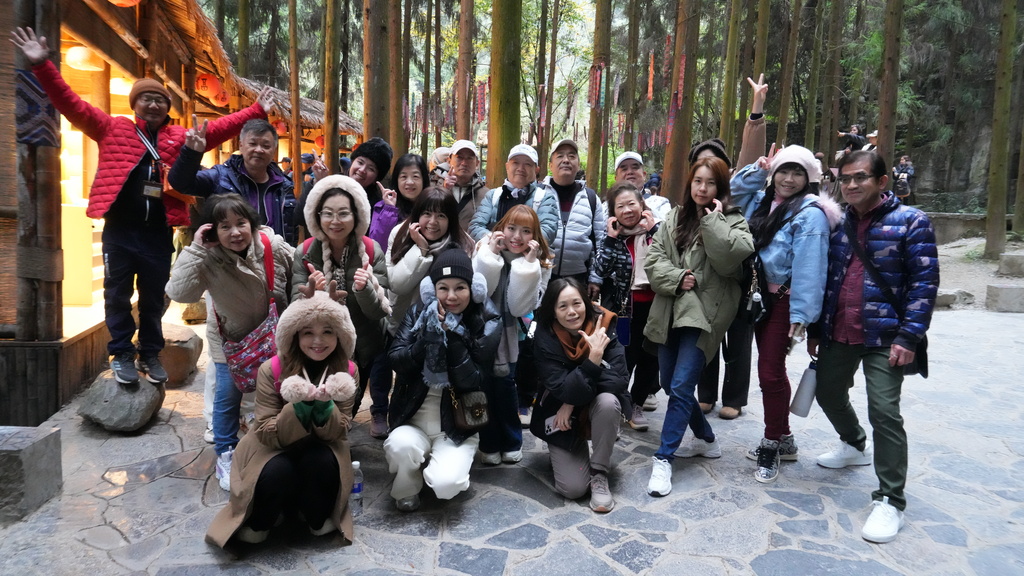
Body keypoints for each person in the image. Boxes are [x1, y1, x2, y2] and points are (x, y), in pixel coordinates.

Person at [11, 27, 272, 385]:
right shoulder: (112, 128)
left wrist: (255, 111)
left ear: (168, 107)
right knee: (116, 295)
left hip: (157, 232)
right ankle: (121, 353)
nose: (153, 105)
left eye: (160, 100)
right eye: (146, 99)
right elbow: (71, 104)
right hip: (119, 230)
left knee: (153, 298)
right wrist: (42, 66)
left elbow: (219, 128)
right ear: (135, 104)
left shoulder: (179, 136)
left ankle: (150, 351)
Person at [809, 150, 938, 543]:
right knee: (828, 393)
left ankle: (890, 500)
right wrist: (816, 327)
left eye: (860, 177)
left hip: (886, 336)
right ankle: (853, 443)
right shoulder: (835, 222)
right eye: (845, 178)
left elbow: (924, 284)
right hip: (839, 329)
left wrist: (909, 336)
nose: (851, 185)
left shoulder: (912, 221)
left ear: (882, 181)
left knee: (884, 411)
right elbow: (825, 277)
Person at [723, 145, 841, 483]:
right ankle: (785, 437)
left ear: (809, 178)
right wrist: (758, 170)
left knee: (770, 373)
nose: (788, 179)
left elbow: (811, 268)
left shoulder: (811, 214)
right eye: (782, 171)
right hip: (758, 298)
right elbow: (733, 193)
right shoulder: (764, 203)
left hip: (785, 303)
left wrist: (802, 315)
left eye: (797, 173)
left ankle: (771, 442)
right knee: (771, 369)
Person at [205, 291, 359, 546]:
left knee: (320, 462)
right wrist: (300, 407)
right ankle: (262, 520)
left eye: (328, 332)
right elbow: (265, 430)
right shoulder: (272, 369)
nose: (318, 341)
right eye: (308, 332)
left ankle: (314, 516)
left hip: (321, 445)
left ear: (340, 335)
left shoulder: (347, 371)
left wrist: (324, 407)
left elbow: (340, 429)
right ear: (295, 334)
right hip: (274, 446)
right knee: (277, 471)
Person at [165, 194, 293, 491]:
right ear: (212, 230)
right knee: (227, 398)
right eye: (225, 226)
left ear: (252, 224)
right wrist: (196, 249)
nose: (235, 232)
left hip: (274, 337)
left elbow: (299, 269)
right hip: (232, 342)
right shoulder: (207, 258)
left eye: (241, 223)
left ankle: (278, 443)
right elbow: (179, 292)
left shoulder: (271, 246)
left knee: (281, 392)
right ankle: (225, 452)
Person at [642, 157, 754, 497]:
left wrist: (713, 222)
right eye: (697, 181)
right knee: (669, 383)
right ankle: (706, 438)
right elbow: (654, 261)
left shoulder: (733, 221)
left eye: (710, 182)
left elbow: (730, 259)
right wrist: (677, 277)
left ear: (721, 187)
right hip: (669, 309)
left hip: (704, 314)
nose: (702, 188)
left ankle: (664, 458)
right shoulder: (674, 218)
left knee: (680, 385)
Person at [384, 250, 501, 511]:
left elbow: (474, 380)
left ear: (474, 289)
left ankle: (442, 469)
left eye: (460, 288)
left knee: (446, 485)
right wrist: (427, 338)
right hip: (413, 417)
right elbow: (396, 359)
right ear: (431, 290)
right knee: (400, 446)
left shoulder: (486, 318)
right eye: (443, 288)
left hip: (458, 424)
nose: (451, 296)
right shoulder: (418, 312)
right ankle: (407, 486)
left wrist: (453, 336)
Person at [691, 74, 770, 421]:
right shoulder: (692, 197)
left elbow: (752, 157)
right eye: (701, 165)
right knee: (705, 335)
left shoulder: (739, 190)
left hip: (740, 275)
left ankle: (734, 397)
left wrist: (757, 110)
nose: (708, 171)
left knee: (738, 338)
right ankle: (705, 394)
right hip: (706, 278)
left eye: (716, 163)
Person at [292, 175, 391, 437]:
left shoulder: (371, 250)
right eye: (328, 213)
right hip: (323, 345)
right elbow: (294, 309)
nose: (335, 221)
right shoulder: (305, 252)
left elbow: (379, 311)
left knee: (349, 407)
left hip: (366, 342)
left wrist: (364, 289)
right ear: (317, 216)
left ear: (356, 216)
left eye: (343, 213)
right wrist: (312, 296)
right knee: (325, 415)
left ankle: (369, 418)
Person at [530, 277, 629, 512]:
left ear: (586, 302)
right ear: (553, 312)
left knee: (608, 402)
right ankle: (572, 449)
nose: (572, 312)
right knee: (573, 489)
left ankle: (599, 472)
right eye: (563, 306)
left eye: (577, 303)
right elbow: (561, 388)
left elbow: (618, 379)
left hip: (580, 404)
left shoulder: (606, 324)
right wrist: (593, 361)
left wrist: (571, 403)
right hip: (557, 409)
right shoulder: (544, 336)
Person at [474, 205, 554, 464]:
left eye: (526, 231)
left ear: (535, 235)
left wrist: (528, 266)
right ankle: (488, 443)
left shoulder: (540, 261)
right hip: (482, 332)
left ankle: (511, 440)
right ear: (502, 228)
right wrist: (491, 256)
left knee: (506, 387)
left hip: (513, 336)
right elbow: (479, 293)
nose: (517, 236)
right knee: (485, 388)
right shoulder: (484, 249)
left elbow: (521, 306)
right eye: (511, 228)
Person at [594, 182, 661, 432]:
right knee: (623, 358)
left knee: (650, 358)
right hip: (625, 311)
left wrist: (653, 231)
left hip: (656, 308)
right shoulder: (613, 237)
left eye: (632, 203)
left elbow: (671, 258)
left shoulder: (657, 231)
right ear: (613, 212)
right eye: (620, 206)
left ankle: (637, 404)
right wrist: (611, 240)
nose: (627, 210)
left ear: (642, 205)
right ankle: (620, 404)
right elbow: (601, 269)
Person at [169, 118, 298, 246]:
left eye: (266, 146)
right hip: (227, 258)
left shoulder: (284, 185)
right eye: (253, 144)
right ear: (241, 146)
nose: (259, 150)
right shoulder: (220, 177)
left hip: (273, 257)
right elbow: (181, 183)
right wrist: (191, 154)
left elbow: (291, 229)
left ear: (274, 149)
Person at [386, 187, 476, 335]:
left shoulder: (465, 245)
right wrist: (421, 249)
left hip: (447, 329)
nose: (433, 222)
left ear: (451, 220)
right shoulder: (400, 234)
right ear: (418, 214)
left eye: (441, 216)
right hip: (402, 325)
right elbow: (396, 285)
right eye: (427, 213)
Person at [546, 139, 606, 301]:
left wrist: (595, 278)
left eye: (571, 156)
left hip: (579, 278)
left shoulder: (591, 198)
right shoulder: (539, 194)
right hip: (542, 276)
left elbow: (600, 241)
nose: (566, 160)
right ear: (551, 165)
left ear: (578, 165)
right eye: (560, 156)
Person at [469, 144, 559, 244]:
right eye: (515, 163)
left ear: (536, 170)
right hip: (493, 252)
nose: (520, 168)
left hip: (529, 254)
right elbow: (475, 227)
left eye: (527, 164)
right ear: (507, 166)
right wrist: (494, 240)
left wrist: (515, 244)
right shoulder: (493, 196)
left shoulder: (544, 198)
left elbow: (548, 231)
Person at [367, 153, 429, 249]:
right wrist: (389, 210)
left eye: (415, 176)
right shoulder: (383, 208)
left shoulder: (432, 206)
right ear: (396, 180)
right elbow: (377, 245)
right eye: (404, 177)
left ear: (424, 179)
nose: (410, 182)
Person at [442, 140, 489, 231]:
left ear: (477, 163)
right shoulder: (434, 187)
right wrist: (444, 190)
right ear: (449, 161)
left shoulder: (486, 195)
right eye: (459, 157)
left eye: (469, 158)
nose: (464, 163)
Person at [612, 152, 671, 220]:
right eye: (624, 169)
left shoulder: (661, 203)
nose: (630, 172)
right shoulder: (606, 207)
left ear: (644, 175)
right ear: (616, 178)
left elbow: (667, 225)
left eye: (635, 168)